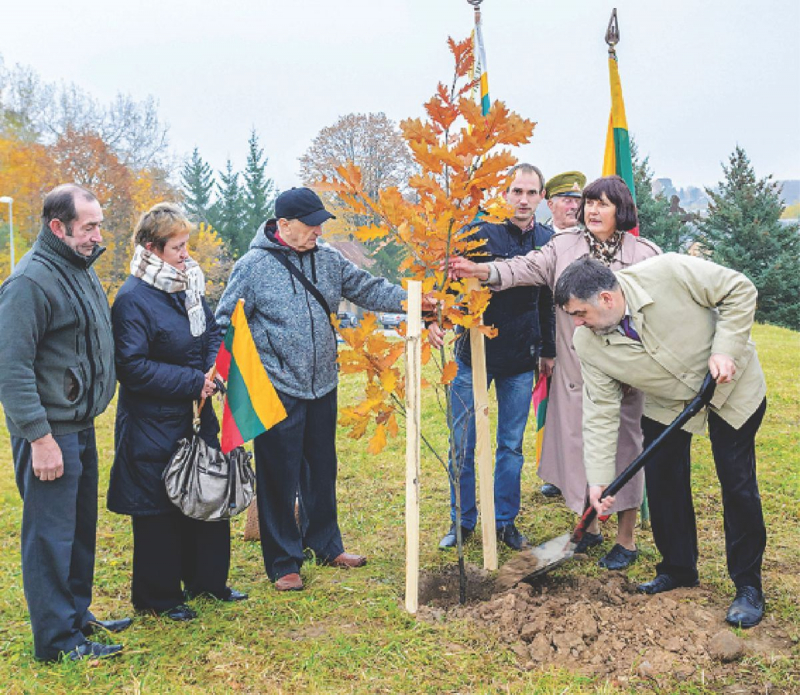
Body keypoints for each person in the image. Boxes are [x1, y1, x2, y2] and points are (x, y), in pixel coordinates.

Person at [448, 176, 660, 569]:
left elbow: (658, 314)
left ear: (622, 210)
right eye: (589, 203)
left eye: (603, 204)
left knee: (626, 449)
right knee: (580, 448)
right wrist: (481, 272)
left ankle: (626, 539)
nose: (593, 210)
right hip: (577, 372)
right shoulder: (564, 246)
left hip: (627, 374)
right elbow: (523, 268)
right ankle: (590, 528)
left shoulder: (644, 255)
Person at [216, 187, 418, 592]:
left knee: (321, 470)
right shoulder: (253, 266)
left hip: (323, 383)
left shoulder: (328, 259)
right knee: (279, 476)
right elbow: (226, 319)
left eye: (321, 224)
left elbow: (368, 288)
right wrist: (233, 376)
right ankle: (284, 562)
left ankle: (325, 543)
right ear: (283, 225)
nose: (317, 231)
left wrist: (414, 301)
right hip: (276, 386)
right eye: (310, 225)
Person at [554, 254, 768, 628]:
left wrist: (725, 349)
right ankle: (678, 568)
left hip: (732, 388)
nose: (576, 323)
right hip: (669, 404)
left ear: (606, 299)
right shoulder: (588, 342)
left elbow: (739, 288)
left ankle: (748, 587)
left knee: (736, 485)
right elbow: (601, 411)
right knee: (663, 480)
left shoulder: (668, 272)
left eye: (580, 313)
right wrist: (599, 479)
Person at [0, 184, 130, 661]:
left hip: (79, 425)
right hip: (49, 433)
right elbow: (10, 368)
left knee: (78, 530)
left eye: (99, 224)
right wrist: (39, 437)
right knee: (50, 537)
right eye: (89, 226)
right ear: (58, 227)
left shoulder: (80, 270)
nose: (99, 235)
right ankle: (56, 643)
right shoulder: (29, 282)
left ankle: (75, 615)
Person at [108, 202, 246, 621]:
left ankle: (207, 581)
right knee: (159, 508)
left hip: (196, 413)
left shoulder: (189, 286)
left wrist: (210, 366)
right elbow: (131, 367)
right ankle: (159, 595)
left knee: (206, 492)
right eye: (177, 247)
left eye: (186, 245)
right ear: (151, 249)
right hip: (152, 422)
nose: (186, 254)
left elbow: (209, 331)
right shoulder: (132, 299)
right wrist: (191, 382)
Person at [433, 163, 556, 552]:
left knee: (510, 445)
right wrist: (438, 320)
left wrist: (547, 349)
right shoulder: (477, 233)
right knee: (463, 442)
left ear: (540, 198)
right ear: (504, 195)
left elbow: (548, 302)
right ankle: (462, 520)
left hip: (520, 359)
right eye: (516, 191)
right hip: (472, 355)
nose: (523, 200)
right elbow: (448, 285)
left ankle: (504, 522)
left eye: (531, 193)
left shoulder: (548, 240)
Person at [538, 170, 586, 498]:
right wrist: (545, 348)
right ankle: (555, 474)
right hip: (546, 340)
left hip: (583, 340)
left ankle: (582, 473)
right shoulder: (540, 240)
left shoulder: (590, 239)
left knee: (582, 411)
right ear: (550, 203)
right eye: (567, 200)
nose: (573, 206)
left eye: (577, 200)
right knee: (550, 410)